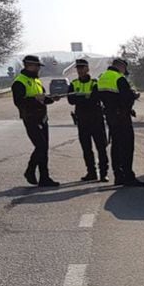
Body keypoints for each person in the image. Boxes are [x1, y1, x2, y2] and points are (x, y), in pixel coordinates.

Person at [11, 55, 61, 187]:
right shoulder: (19, 82)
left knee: (44, 148)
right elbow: (19, 102)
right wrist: (35, 99)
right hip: (31, 118)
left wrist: (51, 99)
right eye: (37, 66)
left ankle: (44, 177)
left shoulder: (36, 81)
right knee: (41, 146)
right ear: (29, 66)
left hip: (43, 118)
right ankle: (30, 170)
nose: (39, 68)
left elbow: (43, 98)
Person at [96, 58, 144, 187]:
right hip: (122, 117)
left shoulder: (102, 77)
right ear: (121, 66)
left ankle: (118, 175)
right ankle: (128, 176)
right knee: (127, 146)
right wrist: (134, 95)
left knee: (116, 145)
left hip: (110, 116)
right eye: (124, 69)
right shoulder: (119, 78)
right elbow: (127, 98)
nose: (125, 71)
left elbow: (98, 97)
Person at [67, 59, 109, 182]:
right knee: (86, 148)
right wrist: (86, 97)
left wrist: (81, 98)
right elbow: (71, 100)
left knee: (101, 147)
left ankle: (103, 173)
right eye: (78, 68)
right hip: (82, 120)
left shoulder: (95, 83)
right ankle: (91, 172)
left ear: (87, 69)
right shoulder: (74, 84)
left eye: (82, 68)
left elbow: (95, 98)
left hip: (96, 119)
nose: (80, 70)